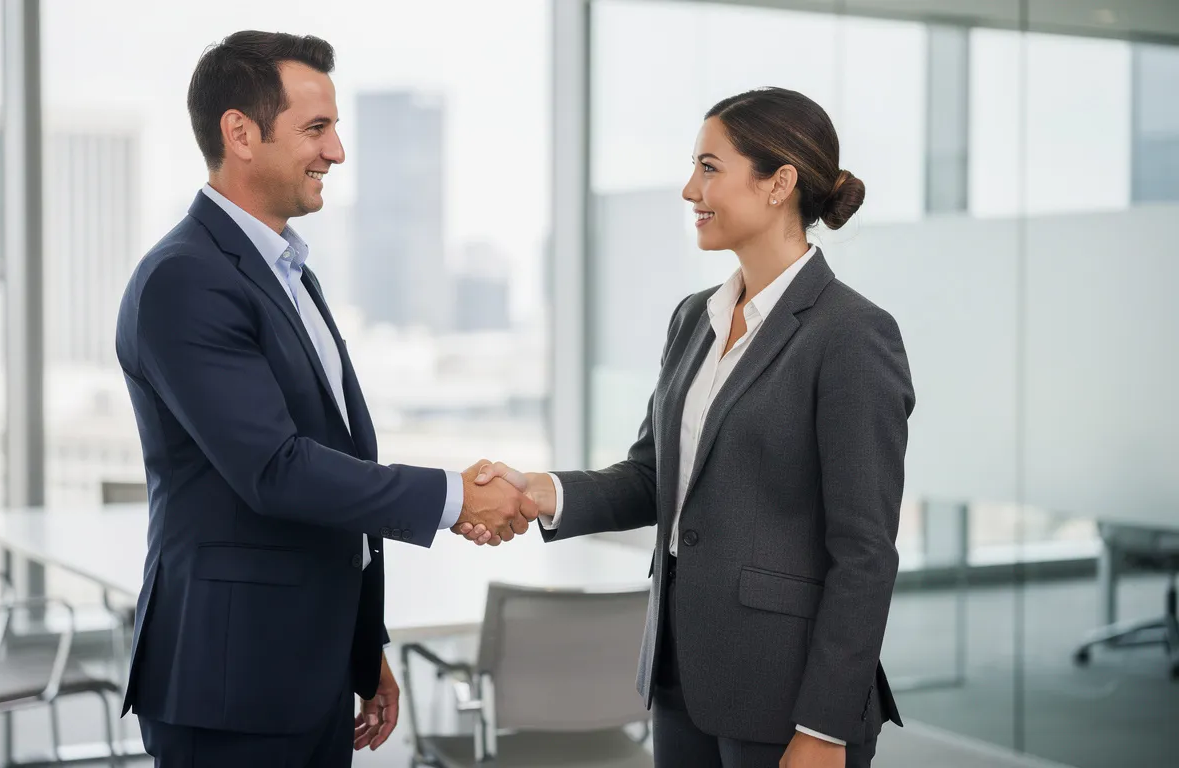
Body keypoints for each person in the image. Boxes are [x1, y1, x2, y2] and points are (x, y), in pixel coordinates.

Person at [114, 31, 536, 767]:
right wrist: (452, 497)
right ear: (239, 133)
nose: (337, 152)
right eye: (317, 129)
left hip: (304, 665)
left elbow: (335, 458)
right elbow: (275, 469)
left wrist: (360, 644)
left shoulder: (290, 273)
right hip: (231, 682)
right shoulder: (184, 279)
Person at [470, 87, 914, 768]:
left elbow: (865, 552)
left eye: (710, 167)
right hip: (682, 676)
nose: (689, 189)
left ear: (779, 183)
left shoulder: (851, 335)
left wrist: (824, 725)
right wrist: (538, 490)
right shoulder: (694, 319)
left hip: (788, 694)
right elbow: (653, 476)